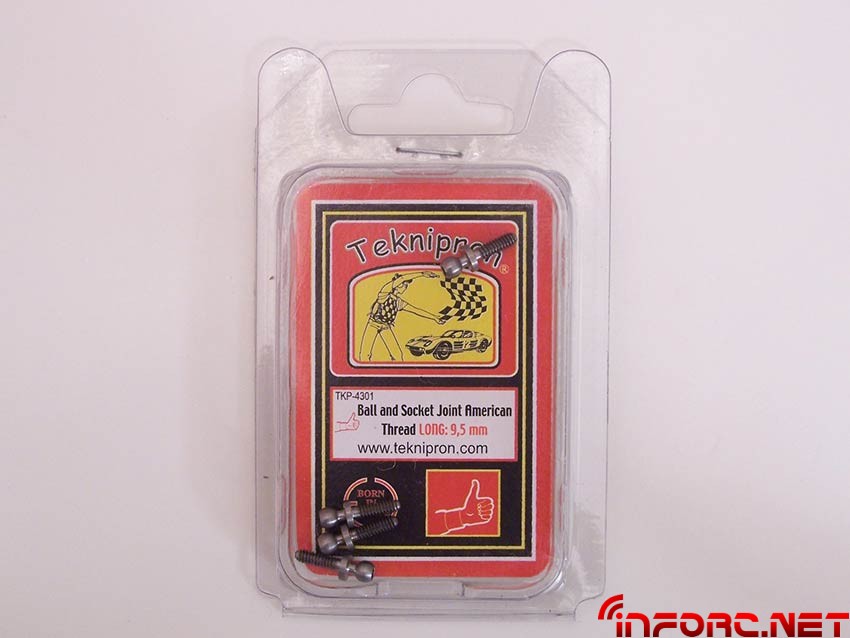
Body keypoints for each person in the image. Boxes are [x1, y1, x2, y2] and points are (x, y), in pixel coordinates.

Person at [359, 271, 446, 362]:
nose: (405, 288)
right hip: (373, 324)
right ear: (399, 285)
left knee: (397, 355)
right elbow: (402, 278)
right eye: (405, 285)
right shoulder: (384, 294)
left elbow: (416, 310)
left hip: (386, 327)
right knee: (365, 353)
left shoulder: (398, 302)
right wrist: (422, 274)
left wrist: (434, 317)